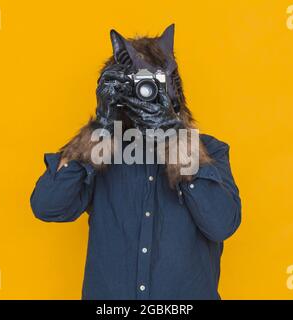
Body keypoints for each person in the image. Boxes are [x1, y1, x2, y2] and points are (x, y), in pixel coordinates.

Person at [30, 24, 241, 300]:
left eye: (155, 86)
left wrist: (173, 137)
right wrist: (102, 127)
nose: (146, 93)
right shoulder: (103, 153)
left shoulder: (210, 151)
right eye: (138, 86)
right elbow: (47, 205)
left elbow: (222, 223)